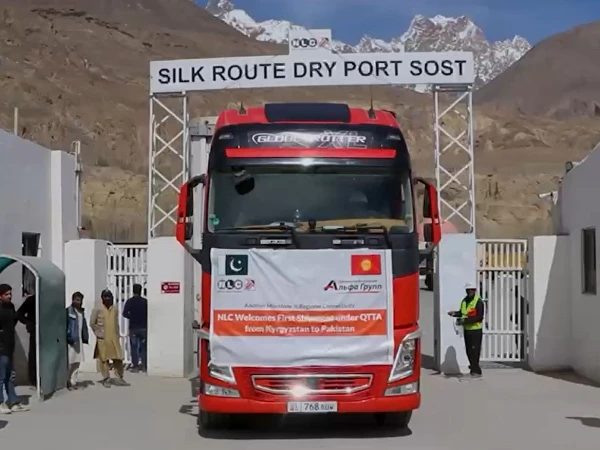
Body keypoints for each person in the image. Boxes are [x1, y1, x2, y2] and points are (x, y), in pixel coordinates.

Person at [0, 284, 30, 413]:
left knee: (10, 376)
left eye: (10, 293)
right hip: (1, 348)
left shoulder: (11, 307)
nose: (9, 296)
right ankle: (1, 403)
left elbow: (13, 322)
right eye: (6, 294)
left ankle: (13, 402)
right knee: (1, 377)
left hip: (9, 345)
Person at [90, 289, 129, 388]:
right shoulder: (97, 309)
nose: (107, 298)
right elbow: (92, 323)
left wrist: (118, 334)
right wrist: (99, 333)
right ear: (102, 298)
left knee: (118, 358)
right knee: (104, 359)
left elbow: (116, 322)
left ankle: (119, 377)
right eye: (105, 297)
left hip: (114, 338)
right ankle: (106, 378)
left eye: (109, 296)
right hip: (103, 339)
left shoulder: (115, 308)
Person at [448, 282, 485, 378]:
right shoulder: (464, 301)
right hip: (467, 330)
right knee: (468, 351)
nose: (469, 292)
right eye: (468, 290)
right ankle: (473, 370)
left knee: (474, 351)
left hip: (476, 330)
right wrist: (455, 314)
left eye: (471, 290)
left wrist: (465, 321)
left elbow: (479, 317)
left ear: (474, 290)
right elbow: (462, 313)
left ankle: (476, 371)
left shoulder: (478, 302)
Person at [66, 291, 89, 390]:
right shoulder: (68, 311)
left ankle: (73, 381)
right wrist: (68, 337)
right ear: (73, 300)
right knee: (70, 362)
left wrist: (85, 337)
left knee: (77, 362)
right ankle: (67, 381)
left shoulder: (81, 312)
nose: (78, 302)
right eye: (76, 300)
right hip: (71, 340)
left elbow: (83, 325)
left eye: (80, 300)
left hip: (78, 340)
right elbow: (66, 325)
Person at [123, 283, 148, 372]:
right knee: (143, 347)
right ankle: (144, 365)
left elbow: (124, 313)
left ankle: (136, 366)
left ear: (133, 291)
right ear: (140, 291)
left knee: (134, 347)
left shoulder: (130, 301)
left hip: (133, 327)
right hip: (143, 327)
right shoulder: (144, 301)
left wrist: (132, 317)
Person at [16, 292, 36, 387]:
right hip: (35, 332)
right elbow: (19, 314)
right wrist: (28, 322)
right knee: (34, 355)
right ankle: (34, 380)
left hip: (49, 334)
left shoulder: (49, 299)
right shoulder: (32, 300)